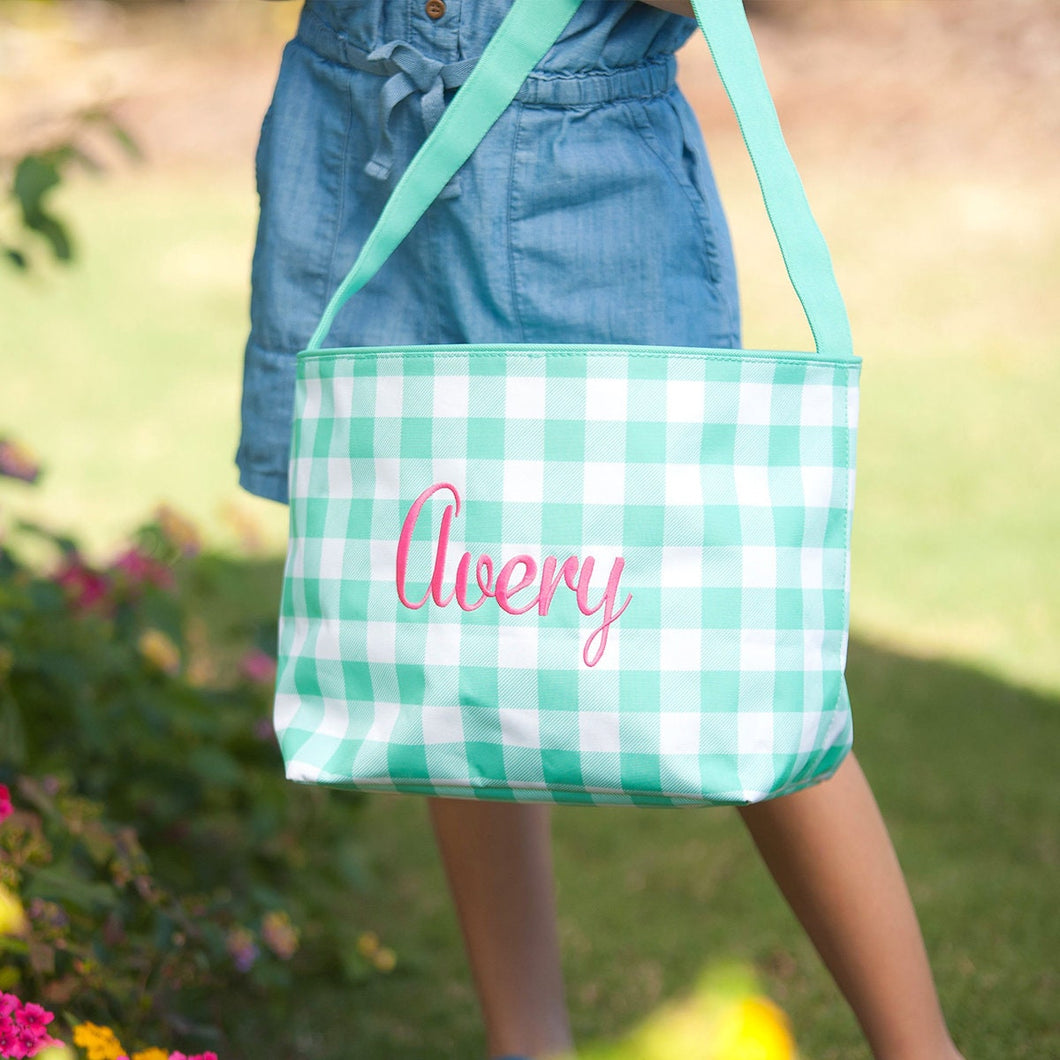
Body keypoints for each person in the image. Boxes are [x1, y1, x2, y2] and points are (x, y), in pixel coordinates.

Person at [237, 2, 966, 1058]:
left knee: (728, 634)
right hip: (356, 133)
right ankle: (524, 1039)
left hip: (574, 179)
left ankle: (917, 1046)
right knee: (447, 609)